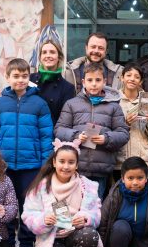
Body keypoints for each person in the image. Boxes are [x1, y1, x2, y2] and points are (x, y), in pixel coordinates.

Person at [0, 58, 54, 247]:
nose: (20, 80)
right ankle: (7, 246)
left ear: (29, 77)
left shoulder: (39, 104)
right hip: (5, 167)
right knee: (6, 207)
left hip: (31, 166)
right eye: (15, 76)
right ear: (7, 78)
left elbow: (46, 135)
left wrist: (45, 163)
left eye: (24, 76)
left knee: (28, 208)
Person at [22, 140, 103, 247]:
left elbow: (96, 213)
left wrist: (86, 218)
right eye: (62, 161)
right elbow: (28, 214)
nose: (66, 166)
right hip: (53, 238)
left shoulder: (87, 186)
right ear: (54, 162)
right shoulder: (40, 186)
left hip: (76, 235)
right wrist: (43, 220)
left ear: (77, 165)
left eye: (71, 162)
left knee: (90, 234)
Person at [55, 62, 130, 201]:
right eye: (90, 80)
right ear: (83, 82)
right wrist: (76, 136)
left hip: (100, 170)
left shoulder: (114, 106)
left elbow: (124, 133)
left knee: (92, 207)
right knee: (71, 204)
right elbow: (59, 129)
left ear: (105, 81)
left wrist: (106, 138)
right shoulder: (72, 104)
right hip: (74, 167)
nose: (94, 84)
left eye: (98, 80)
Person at [115, 63, 148, 179]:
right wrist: (126, 124)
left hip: (144, 159)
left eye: (136, 77)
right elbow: (110, 132)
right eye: (128, 75)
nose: (132, 79)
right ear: (122, 78)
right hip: (120, 160)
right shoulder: (114, 101)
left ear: (140, 81)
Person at [30, 40, 75, 124]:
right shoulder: (29, 79)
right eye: (44, 52)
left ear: (59, 57)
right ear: (40, 58)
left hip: (51, 134)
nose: (48, 55)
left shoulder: (67, 88)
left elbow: (64, 120)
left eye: (52, 52)